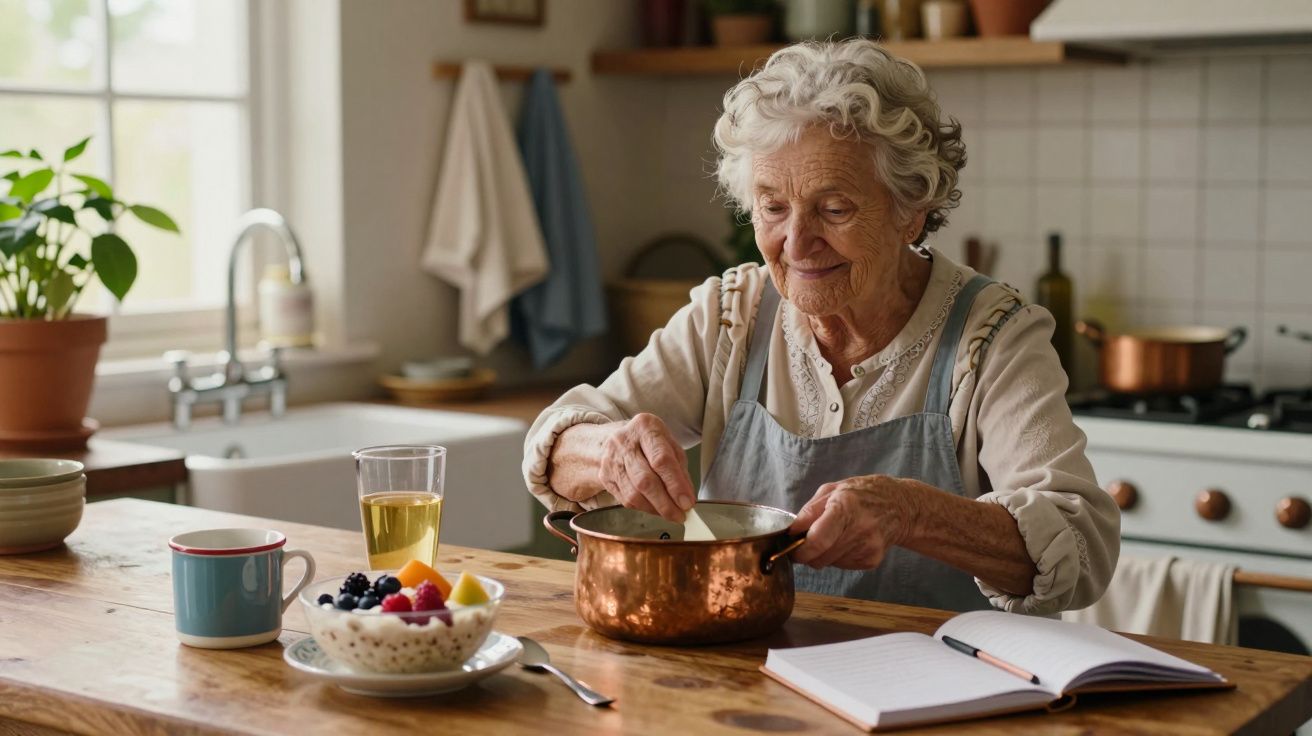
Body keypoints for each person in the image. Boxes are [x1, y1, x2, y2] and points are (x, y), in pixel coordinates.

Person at [522, 40, 1118, 615]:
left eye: (835, 209)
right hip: (747, 675)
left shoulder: (992, 337)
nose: (798, 243)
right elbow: (555, 448)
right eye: (773, 208)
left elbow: (1081, 545)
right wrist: (609, 452)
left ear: (910, 211)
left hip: (945, 691)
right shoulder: (732, 314)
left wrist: (908, 513)